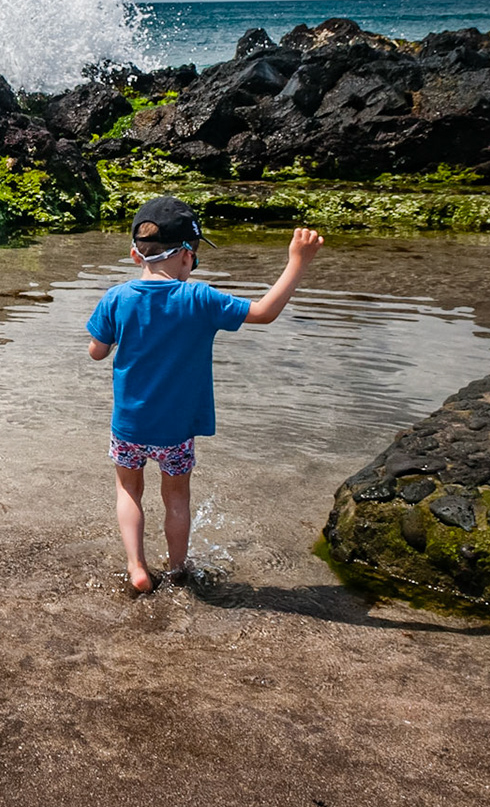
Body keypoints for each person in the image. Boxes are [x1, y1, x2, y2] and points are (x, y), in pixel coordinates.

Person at [86, 196, 322, 592]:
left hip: (129, 424)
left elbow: (96, 351)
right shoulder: (200, 298)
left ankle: (137, 568)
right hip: (177, 430)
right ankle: (178, 570)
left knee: (128, 490)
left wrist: (110, 340)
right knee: (177, 498)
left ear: (134, 255)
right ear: (187, 257)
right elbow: (264, 312)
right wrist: (297, 262)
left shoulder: (116, 298)